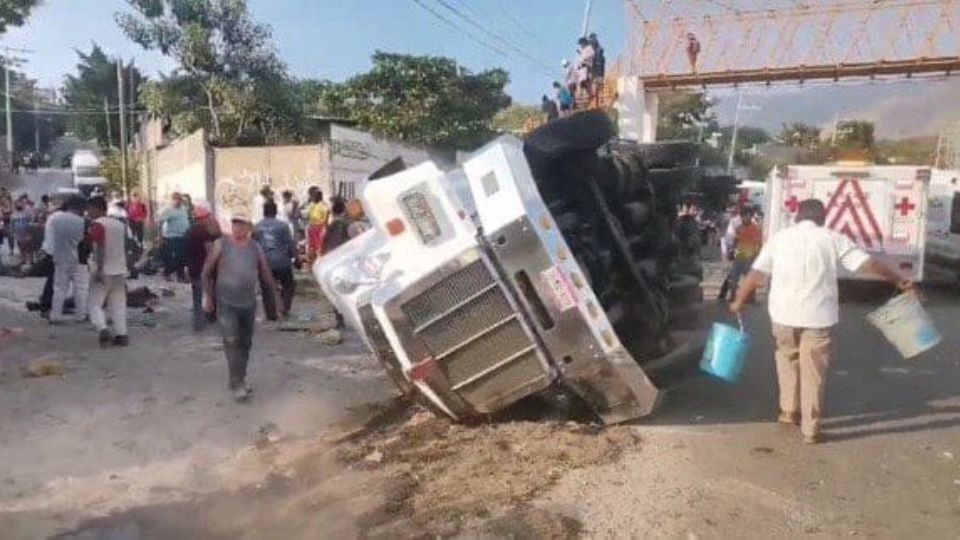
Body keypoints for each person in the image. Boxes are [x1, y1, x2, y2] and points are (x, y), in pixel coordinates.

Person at [730, 199, 914, 444]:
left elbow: (756, 273)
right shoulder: (832, 238)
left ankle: (788, 411)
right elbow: (868, 264)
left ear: (797, 217)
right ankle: (811, 429)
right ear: (823, 218)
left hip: (783, 315)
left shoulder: (779, 239)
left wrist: (739, 300)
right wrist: (899, 280)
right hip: (818, 316)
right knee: (813, 371)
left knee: (787, 359)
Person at [202, 212, 280, 402]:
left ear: (249, 227)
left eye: (241, 224)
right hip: (226, 301)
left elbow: (266, 274)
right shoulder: (222, 244)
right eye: (234, 223)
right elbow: (206, 273)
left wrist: (276, 297)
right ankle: (238, 384)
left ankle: (239, 377)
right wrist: (208, 296)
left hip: (248, 302)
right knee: (231, 341)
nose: (237, 227)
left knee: (245, 343)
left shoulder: (255, 247)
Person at [86, 196, 129, 347]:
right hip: (120, 269)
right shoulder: (119, 224)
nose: (88, 212)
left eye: (90, 209)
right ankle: (121, 334)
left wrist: (98, 269)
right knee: (118, 303)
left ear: (97, 208)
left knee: (94, 303)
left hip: (105, 270)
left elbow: (100, 248)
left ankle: (102, 329)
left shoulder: (97, 225)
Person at [254, 200, 297, 320]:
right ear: (275, 211)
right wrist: (296, 257)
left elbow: (253, 246)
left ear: (264, 212)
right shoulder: (283, 226)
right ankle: (284, 308)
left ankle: (271, 314)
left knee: (266, 289)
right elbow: (290, 243)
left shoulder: (257, 226)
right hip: (282, 262)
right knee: (288, 285)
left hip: (264, 263)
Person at [48, 197, 88, 325]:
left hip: (60, 257)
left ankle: (55, 315)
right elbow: (87, 241)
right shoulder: (83, 222)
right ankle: (80, 315)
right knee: (80, 288)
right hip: (78, 258)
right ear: (80, 208)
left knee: (59, 288)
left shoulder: (56, 219)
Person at [185, 203, 221, 331]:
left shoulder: (189, 231)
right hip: (204, 269)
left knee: (196, 298)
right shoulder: (203, 232)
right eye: (207, 217)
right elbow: (209, 251)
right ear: (202, 218)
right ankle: (209, 319)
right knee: (208, 294)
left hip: (193, 268)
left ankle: (197, 322)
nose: (208, 219)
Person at [726, 208, 763, 301]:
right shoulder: (739, 228)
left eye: (745, 216)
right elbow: (736, 240)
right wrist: (731, 251)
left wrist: (758, 256)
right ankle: (733, 296)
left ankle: (752, 298)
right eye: (742, 216)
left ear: (750, 216)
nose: (743, 218)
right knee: (734, 277)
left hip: (750, 258)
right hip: (739, 256)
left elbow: (759, 244)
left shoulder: (756, 228)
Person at [157, 192, 190, 281]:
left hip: (182, 236)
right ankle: (167, 273)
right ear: (173, 200)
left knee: (182, 257)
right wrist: (160, 236)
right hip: (171, 236)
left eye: (180, 200)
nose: (179, 202)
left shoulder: (183, 208)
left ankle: (181, 276)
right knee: (172, 258)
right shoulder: (168, 210)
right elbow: (160, 222)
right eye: (177, 200)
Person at [306, 188, 330, 265]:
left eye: (313, 196)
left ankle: (320, 263)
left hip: (319, 229)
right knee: (312, 247)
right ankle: (312, 263)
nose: (311, 197)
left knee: (319, 247)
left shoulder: (323, 206)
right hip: (312, 229)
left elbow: (326, 219)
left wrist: (325, 228)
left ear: (317, 197)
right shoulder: (313, 205)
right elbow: (309, 217)